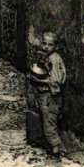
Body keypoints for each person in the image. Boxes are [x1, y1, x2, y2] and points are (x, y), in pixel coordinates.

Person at [28, 31, 67, 159]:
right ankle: (55, 149)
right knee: (46, 122)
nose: (45, 47)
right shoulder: (46, 56)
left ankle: (56, 154)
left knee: (49, 125)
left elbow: (55, 80)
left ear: (55, 47)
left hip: (50, 96)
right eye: (44, 43)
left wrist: (37, 80)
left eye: (50, 45)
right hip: (43, 95)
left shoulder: (54, 59)